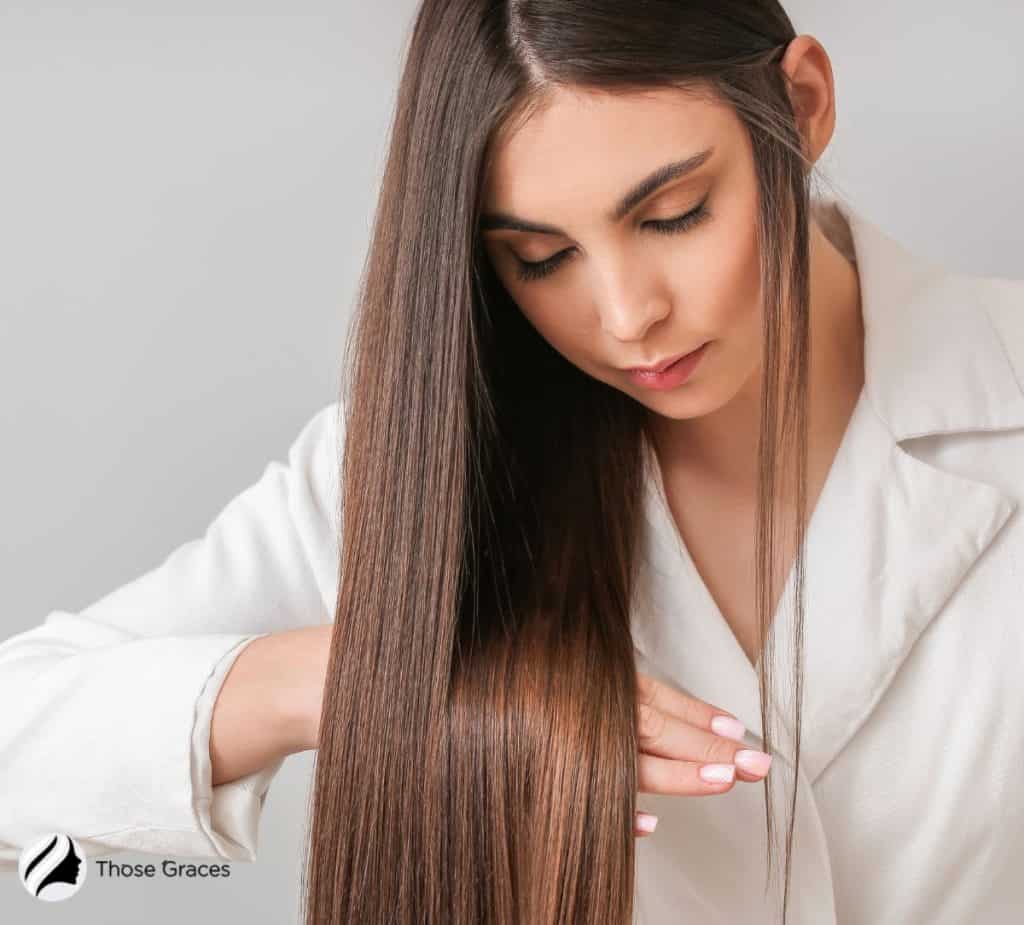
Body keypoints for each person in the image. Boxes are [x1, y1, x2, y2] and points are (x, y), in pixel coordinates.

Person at [2, 3, 1023, 924]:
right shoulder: (419, 471)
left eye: (672, 215)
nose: (627, 318)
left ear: (801, 104)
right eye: (538, 258)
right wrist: (374, 678)